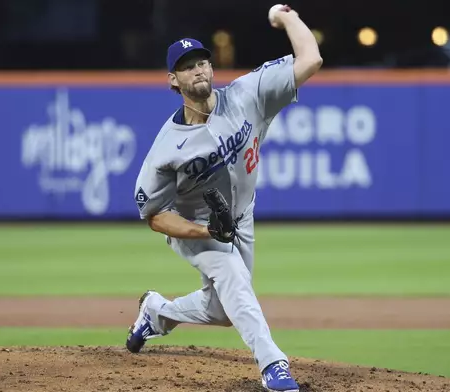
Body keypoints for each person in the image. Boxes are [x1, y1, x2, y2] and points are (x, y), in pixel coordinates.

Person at [127, 5, 322, 392]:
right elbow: (153, 214)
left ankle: (157, 312)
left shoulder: (247, 95)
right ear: (173, 80)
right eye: (187, 66)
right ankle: (273, 365)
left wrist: (286, 18)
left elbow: (311, 58)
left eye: (202, 62)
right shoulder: (167, 149)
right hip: (195, 227)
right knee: (233, 276)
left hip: (241, 217)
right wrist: (203, 231)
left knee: (223, 309)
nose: (198, 69)